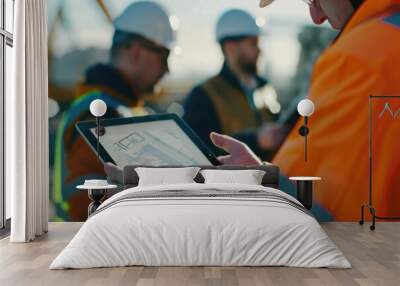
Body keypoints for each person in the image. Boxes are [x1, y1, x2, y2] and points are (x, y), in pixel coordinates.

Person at [210, 0, 400, 221]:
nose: (316, 17)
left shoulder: (363, 60)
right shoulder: (387, 39)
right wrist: (260, 168)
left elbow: (321, 216)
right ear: (231, 47)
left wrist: (258, 178)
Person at [52, 1, 175, 221]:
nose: (167, 69)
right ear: (137, 52)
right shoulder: (99, 115)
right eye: (163, 56)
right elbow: (83, 204)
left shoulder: (131, 110)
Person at [183, 9, 285, 161]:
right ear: (230, 47)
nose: (259, 50)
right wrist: (256, 140)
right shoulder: (203, 96)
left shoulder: (266, 89)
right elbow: (196, 152)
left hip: (273, 179)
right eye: (253, 43)